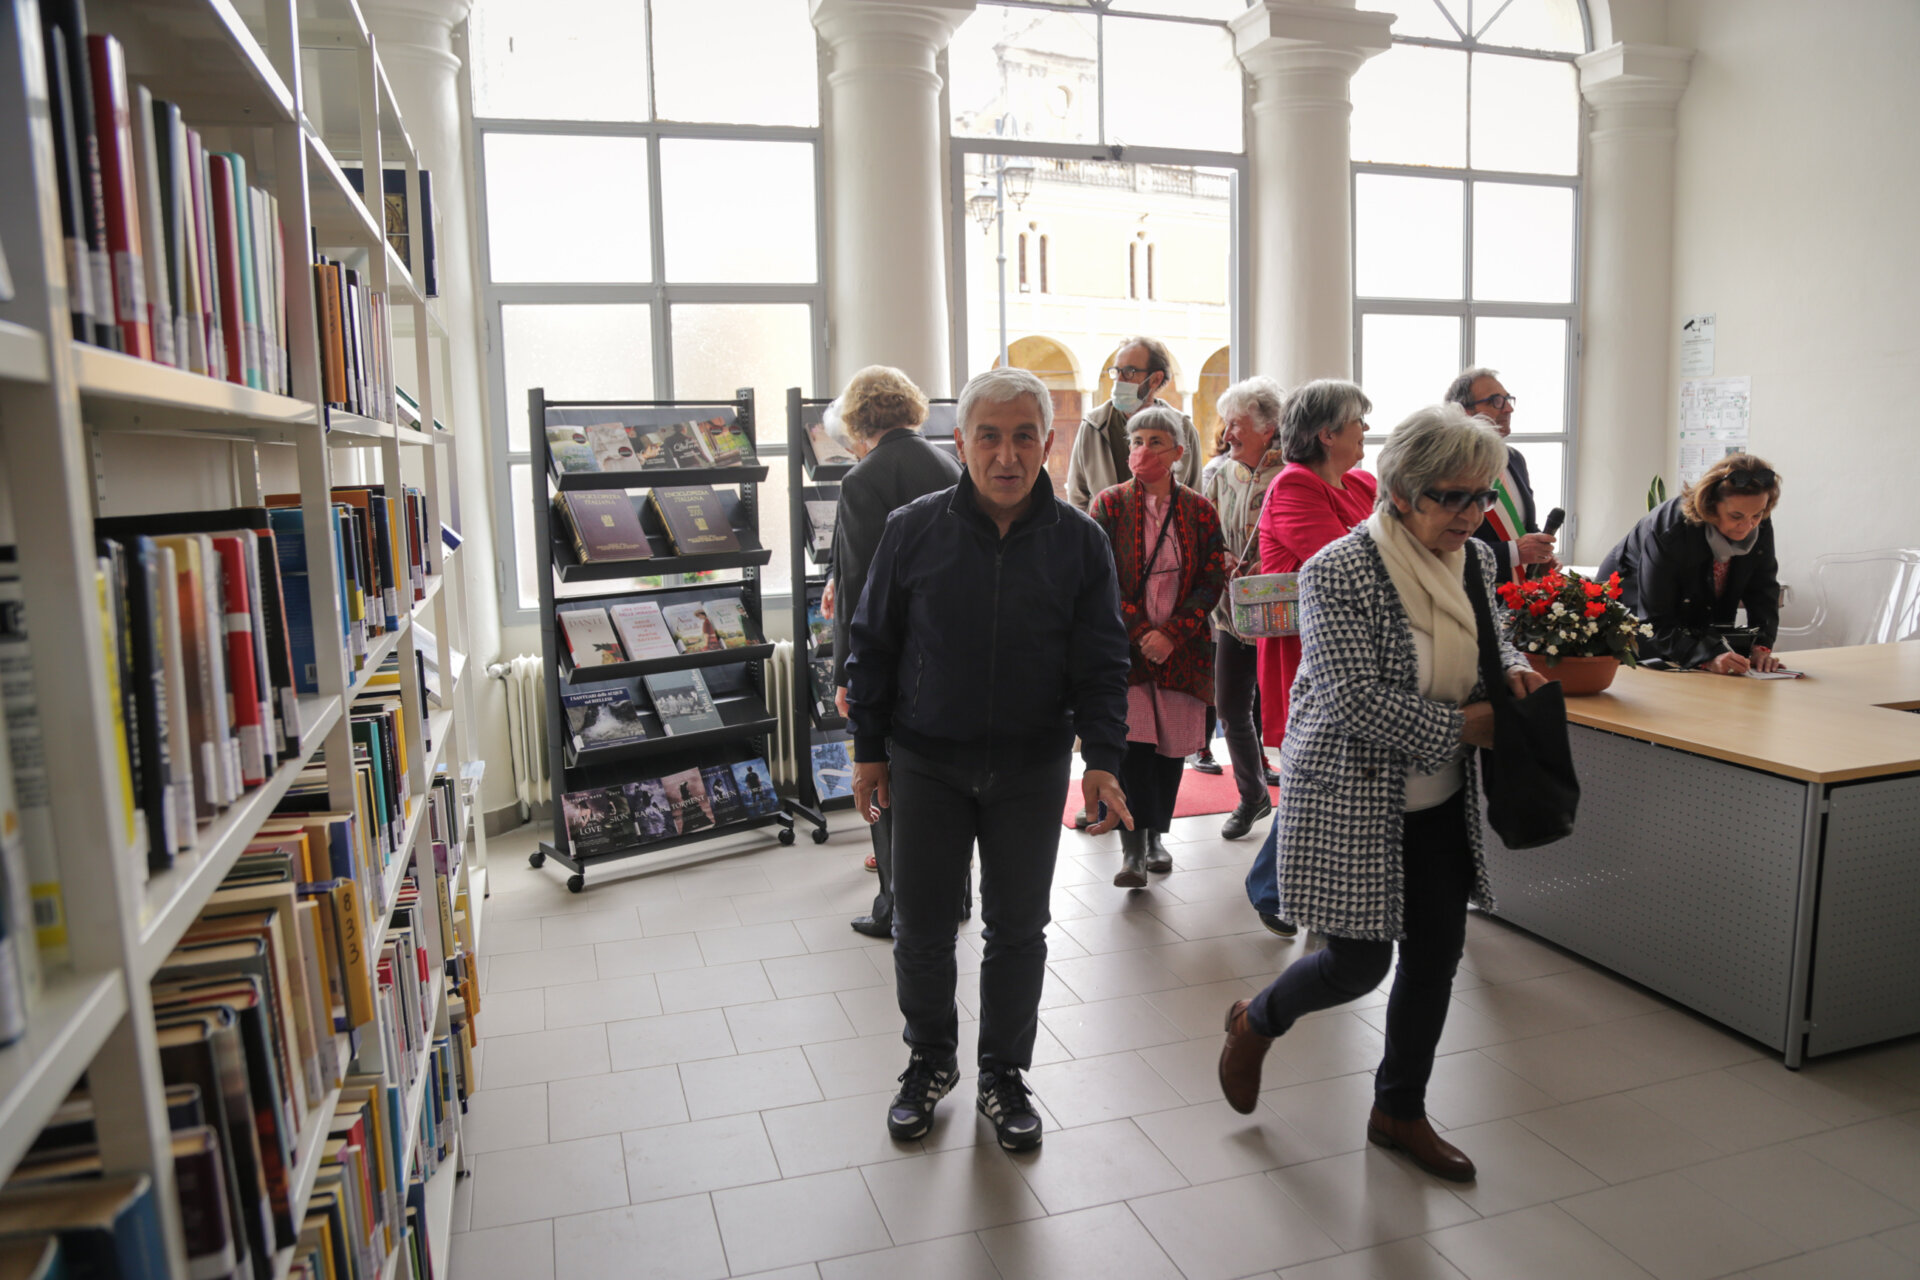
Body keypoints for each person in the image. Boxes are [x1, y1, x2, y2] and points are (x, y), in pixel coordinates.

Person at [1217, 404, 1545, 1184]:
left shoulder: (1477, 562)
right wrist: (1471, 726)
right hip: (1352, 795)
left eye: (1481, 497)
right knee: (1356, 966)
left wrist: (1517, 665)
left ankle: (1399, 1109)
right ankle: (1255, 1020)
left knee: (1435, 960)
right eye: (1452, 498)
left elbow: (1490, 631)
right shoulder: (1339, 570)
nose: (1471, 515)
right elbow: (1350, 700)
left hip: (1437, 802)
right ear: (1400, 491)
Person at [846, 367, 1134, 1152]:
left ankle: (1003, 1073)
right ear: (961, 442)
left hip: (1031, 768)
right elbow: (871, 645)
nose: (1006, 455)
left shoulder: (1081, 541)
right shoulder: (913, 529)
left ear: (1048, 442)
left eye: (1022, 437)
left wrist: (1103, 756)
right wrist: (870, 750)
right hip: (926, 761)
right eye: (989, 437)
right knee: (922, 927)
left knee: (1018, 930)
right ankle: (929, 1062)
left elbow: (1103, 661)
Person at [821, 366, 963, 938]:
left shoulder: (863, 479)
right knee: (944, 788)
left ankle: (897, 908)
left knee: (886, 781)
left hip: (895, 656)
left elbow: (861, 591)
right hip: (949, 651)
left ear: (857, 420)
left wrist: (844, 676)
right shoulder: (948, 463)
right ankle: (954, 898)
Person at [1245, 379, 1379, 937]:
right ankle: (1270, 889)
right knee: (1312, 772)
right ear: (1327, 434)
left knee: (1330, 774)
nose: (1366, 432)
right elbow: (1353, 565)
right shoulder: (1294, 486)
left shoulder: (1360, 483)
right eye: (1358, 423)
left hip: (1358, 650)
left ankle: (1302, 890)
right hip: (1310, 656)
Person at [1089, 406, 1227, 887]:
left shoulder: (1199, 510)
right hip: (1125, 654)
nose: (1140, 451)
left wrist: (1172, 634)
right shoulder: (1108, 505)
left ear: (1177, 454)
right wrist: (1142, 631)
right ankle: (1131, 850)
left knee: (1170, 752)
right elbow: (1099, 578)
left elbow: (1214, 577)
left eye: (1152, 442)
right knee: (1131, 748)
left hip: (1182, 652)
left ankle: (1155, 838)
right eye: (1134, 441)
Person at [1597, 453, 1786, 674]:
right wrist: (1706, 656)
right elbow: (1654, 620)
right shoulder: (1669, 530)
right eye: (1736, 516)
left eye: (1757, 514)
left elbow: (1763, 588)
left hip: (1685, 612)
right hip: (1631, 605)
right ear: (1711, 504)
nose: (1747, 525)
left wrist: (1760, 647)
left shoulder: (1757, 521)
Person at [1202, 376, 1289, 842]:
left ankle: (1298, 802)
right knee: (1232, 709)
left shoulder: (1292, 476)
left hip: (1280, 622)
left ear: (1269, 428)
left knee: (1287, 717)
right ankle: (1252, 794)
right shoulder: (1220, 474)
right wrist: (1223, 557)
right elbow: (1204, 532)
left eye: (1236, 424)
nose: (1227, 433)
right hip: (1231, 616)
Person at [1443, 367, 1557, 581]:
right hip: (1472, 594)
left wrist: (1540, 554)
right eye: (1495, 401)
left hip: (1519, 596)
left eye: (1508, 399)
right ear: (1464, 411)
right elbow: (1446, 547)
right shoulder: (1449, 466)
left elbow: (1524, 527)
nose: (1508, 409)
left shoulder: (1514, 459)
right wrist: (1514, 552)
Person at [1065, 336, 1203, 512]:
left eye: (1129, 372)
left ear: (1155, 379)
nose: (1119, 380)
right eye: (1117, 371)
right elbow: (1078, 498)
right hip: (1104, 536)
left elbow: (1193, 496)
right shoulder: (1094, 426)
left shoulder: (1182, 430)